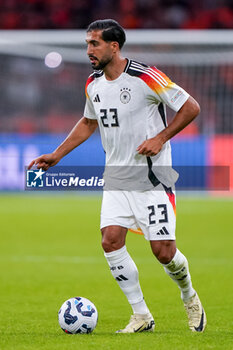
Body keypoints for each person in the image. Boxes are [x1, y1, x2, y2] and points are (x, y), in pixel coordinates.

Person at [28, 19, 207, 333]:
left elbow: (191, 107)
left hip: (153, 179)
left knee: (163, 253)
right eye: (87, 43)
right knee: (110, 241)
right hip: (116, 178)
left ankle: (189, 296)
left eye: (94, 43)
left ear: (114, 45)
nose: (89, 50)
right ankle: (141, 315)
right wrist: (57, 155)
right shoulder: (92, 84)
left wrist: (161, 138)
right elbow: (87, 122)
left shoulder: (146, 77)